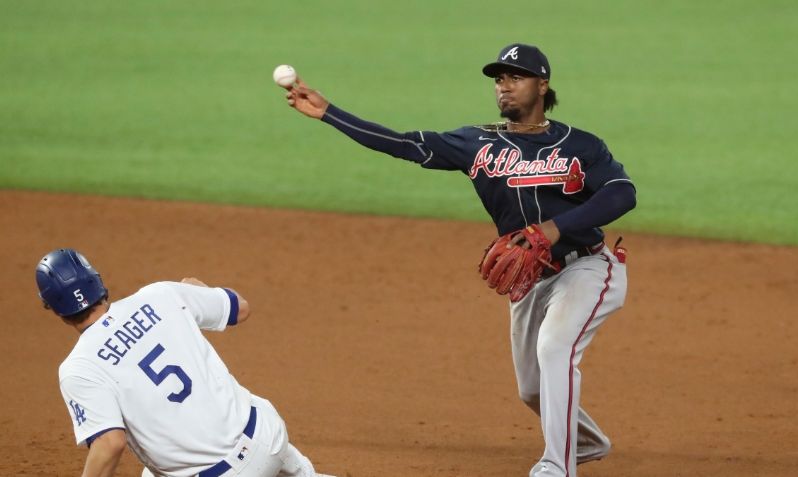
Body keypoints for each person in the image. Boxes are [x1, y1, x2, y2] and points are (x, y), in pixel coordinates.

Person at [282, 43, 636, 477]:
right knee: (531, 389)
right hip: (531, 278)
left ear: (542, 84)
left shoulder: (580, 145)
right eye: (498, 79)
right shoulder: (477, 142)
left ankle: (556, 466)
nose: (504, 86)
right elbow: (407, 144)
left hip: (587, 267)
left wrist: (555, 229)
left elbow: (622, 193)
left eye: (515, 77)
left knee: (554, 348)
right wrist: (330, 113)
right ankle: (585, 441)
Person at [36, 248, 334, 477]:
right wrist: (198, 292)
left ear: (55, 309)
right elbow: (240, 308)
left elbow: (110, 444)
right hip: (269, 437)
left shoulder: (80, 368)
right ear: (96, 280)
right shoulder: (161, 294)